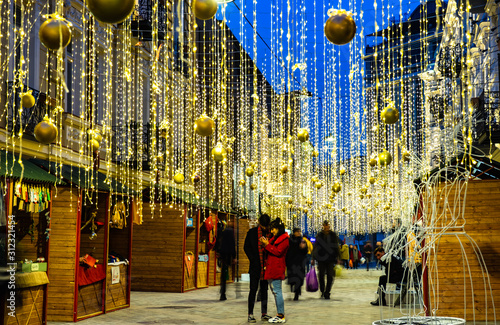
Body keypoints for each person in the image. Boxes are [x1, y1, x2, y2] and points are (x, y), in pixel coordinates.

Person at [260, 218, 289, 323]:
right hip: (271, 267)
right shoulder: (274, 238)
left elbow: (278, 252)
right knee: (275, 291)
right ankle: (279, 314)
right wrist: (265, 243)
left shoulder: (284, 239)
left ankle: (281, 315)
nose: (271, 231)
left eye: (273, 229)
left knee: (277, 291)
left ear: (279, 229)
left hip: (276, 267)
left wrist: (267, 245)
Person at [244, 214, 272, 323]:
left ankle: (264, 313)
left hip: (266, 266)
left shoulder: (270, 234)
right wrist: (253, 259)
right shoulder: (252, 233)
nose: (265, 228)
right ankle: (250, 314)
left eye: (266, 226)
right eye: (263, 226)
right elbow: (246, 247)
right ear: (260, 223)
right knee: (253, 290)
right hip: (255, 266)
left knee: (264, 290)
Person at [312, 220, 340, 299]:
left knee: (330, 276)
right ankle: (322, 290)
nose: (327, 227)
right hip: (321, 258)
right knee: (321, 275)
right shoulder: (319, 235)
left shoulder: (333, 235)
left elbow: (336, 246)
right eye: (325, 225)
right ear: (323, 226)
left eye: (328, 225)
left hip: (331, 258)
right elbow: (315, 247)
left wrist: (338, 257)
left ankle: (327, 292)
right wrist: (313, 258)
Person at [286, 227, 308, 300]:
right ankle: (293, 287)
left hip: (300, 263)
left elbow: (305, 252)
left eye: (299, 231)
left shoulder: (302, 240)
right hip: (291, 262)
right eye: (297, 231)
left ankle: (297, 293)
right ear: (294, 232)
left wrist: (304, 248)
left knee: (299, 278)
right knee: (292, 278)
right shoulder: (290, 240)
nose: (299, 233)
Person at [216, 220, 236, 301]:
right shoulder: (231, 232)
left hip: (222, 253)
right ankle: (223, 292)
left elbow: (217, 241)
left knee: (223, 273)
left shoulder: (220, 231)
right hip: (228, 254)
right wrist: (234, 256)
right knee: (224, 271)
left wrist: (217, 251)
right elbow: (232, 244)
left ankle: (222, 292)